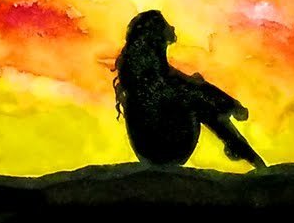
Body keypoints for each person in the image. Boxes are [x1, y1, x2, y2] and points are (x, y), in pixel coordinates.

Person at [113, 10, 264, 168]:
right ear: (157, 35)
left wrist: (227, 102)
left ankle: (245, 152)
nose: (172, 27)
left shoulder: (151, 75)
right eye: (165, 25)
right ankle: (251, 158)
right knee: (201, 104)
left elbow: (189, 85)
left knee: (195, 92)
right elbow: (191, 89)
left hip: (150, 150)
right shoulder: (153, 79)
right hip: (162, 149)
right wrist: (231, 105)